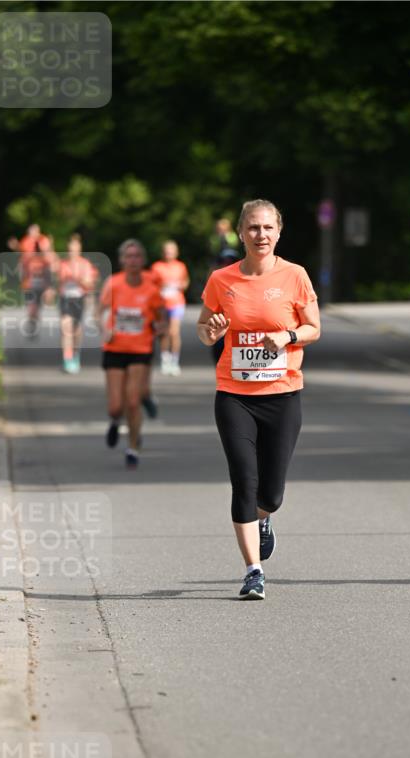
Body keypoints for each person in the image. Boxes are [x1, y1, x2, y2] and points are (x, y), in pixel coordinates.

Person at [197, 198, 320, 600]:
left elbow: (313, 328)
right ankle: (253, 570)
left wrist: (287, 336)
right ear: (240, 232)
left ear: (279, 232)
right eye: (253, 228)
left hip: (282, 394)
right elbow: (203, 329)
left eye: (267, 228)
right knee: (243, 482)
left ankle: (264, 518)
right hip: (234, 395)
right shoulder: (221, 280)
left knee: (271, 493)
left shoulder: (295, 276)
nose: (260, 235)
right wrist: (211, 331)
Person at [100, 239, 167, 468]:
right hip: (115, 349)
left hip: (140, 349)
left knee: (132, 400)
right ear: (122, 261)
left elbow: (162, 317)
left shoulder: (151, 287)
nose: (133, 260)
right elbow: (99, 311)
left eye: (137, 256)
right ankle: (114, 421)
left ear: (143, 260)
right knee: (115, 406)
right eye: (128, 256)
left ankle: (133, 447)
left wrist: (161, 327)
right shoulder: (113, 284)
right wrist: (105, 328)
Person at [57, 234, 97, 373]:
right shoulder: (63, 264)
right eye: (70, 249)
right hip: (65, 298)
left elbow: (90, 284)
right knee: (65, 326)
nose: (72, 252)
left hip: (79, 298)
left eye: (74, 249)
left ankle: (75, 354)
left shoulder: (85, 264)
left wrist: (77, 278)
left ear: (79, 250)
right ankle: (67, 359)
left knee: (76, 330)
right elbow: (58, 282)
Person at [151, 240, 190, 375]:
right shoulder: (157, 267)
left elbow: (185, 281)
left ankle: (174, 361)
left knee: (174, 331)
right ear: (163, 252)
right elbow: (152, 285)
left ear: (176, 252)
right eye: (166, 251)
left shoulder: (181, 266)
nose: (169, 253)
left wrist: (181, 285)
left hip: (177, 302)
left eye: (171, 250)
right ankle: (165, 359)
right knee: (164, 333)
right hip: (161, 303)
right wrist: (161, 287)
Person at [13, 224, 57, 337]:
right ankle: (32, 319)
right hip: (29, 281)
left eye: (36, 231)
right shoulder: (26, 242)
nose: (34, 234)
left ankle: (34, 320)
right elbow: (21, 255)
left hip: (42, 280)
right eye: (32, 231)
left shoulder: (44, 241)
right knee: (31, 305)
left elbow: (50, 258)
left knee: (37, 306)